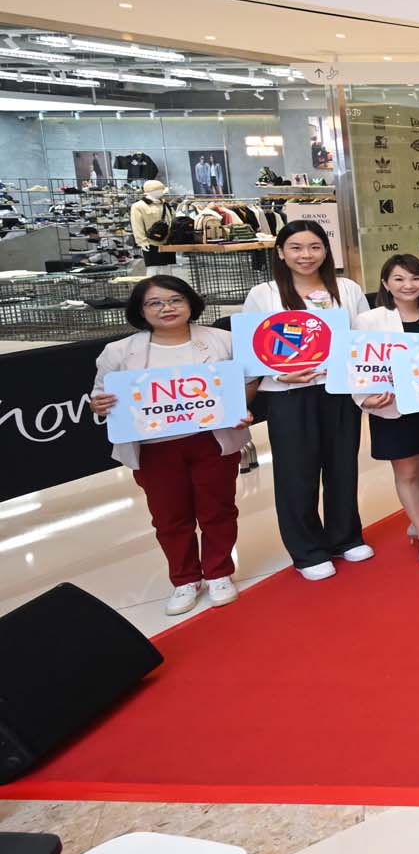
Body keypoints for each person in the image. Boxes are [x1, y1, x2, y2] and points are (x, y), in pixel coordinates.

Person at [90, 275, 254, 614]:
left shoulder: (222, 341)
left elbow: (248, 380)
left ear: (190, 302)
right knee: (169, 517)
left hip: (212, 441)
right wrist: (99, 405)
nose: (167, 308)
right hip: (155, 448)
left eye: (175, 300)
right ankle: (185, 578)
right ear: (141, 311)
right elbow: (100, 396)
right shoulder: (119, 352)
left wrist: (239, 407)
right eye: (155, 303)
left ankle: (219, 572)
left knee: (218, 509)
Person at [243, 220, 371, 581]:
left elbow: (364, 339)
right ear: (281, 253)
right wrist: (278, 374)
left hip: (339, 391)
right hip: (289, 395)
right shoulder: (264, 294)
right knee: (296, 473)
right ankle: (307, 550)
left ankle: (345, 537)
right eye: (296, 247)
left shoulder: (346, 289)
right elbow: (250, 347)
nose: (306, 255)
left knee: (342, 466)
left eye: (315, 247)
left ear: (326, 251)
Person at [354, 254, 419, 566]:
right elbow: (356, 364)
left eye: (415, 278)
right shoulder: (369, 320)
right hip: (393, 406)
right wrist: (364, 398)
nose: (408, 285)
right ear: (385, 284)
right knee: (407, 470)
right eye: (399, 279)